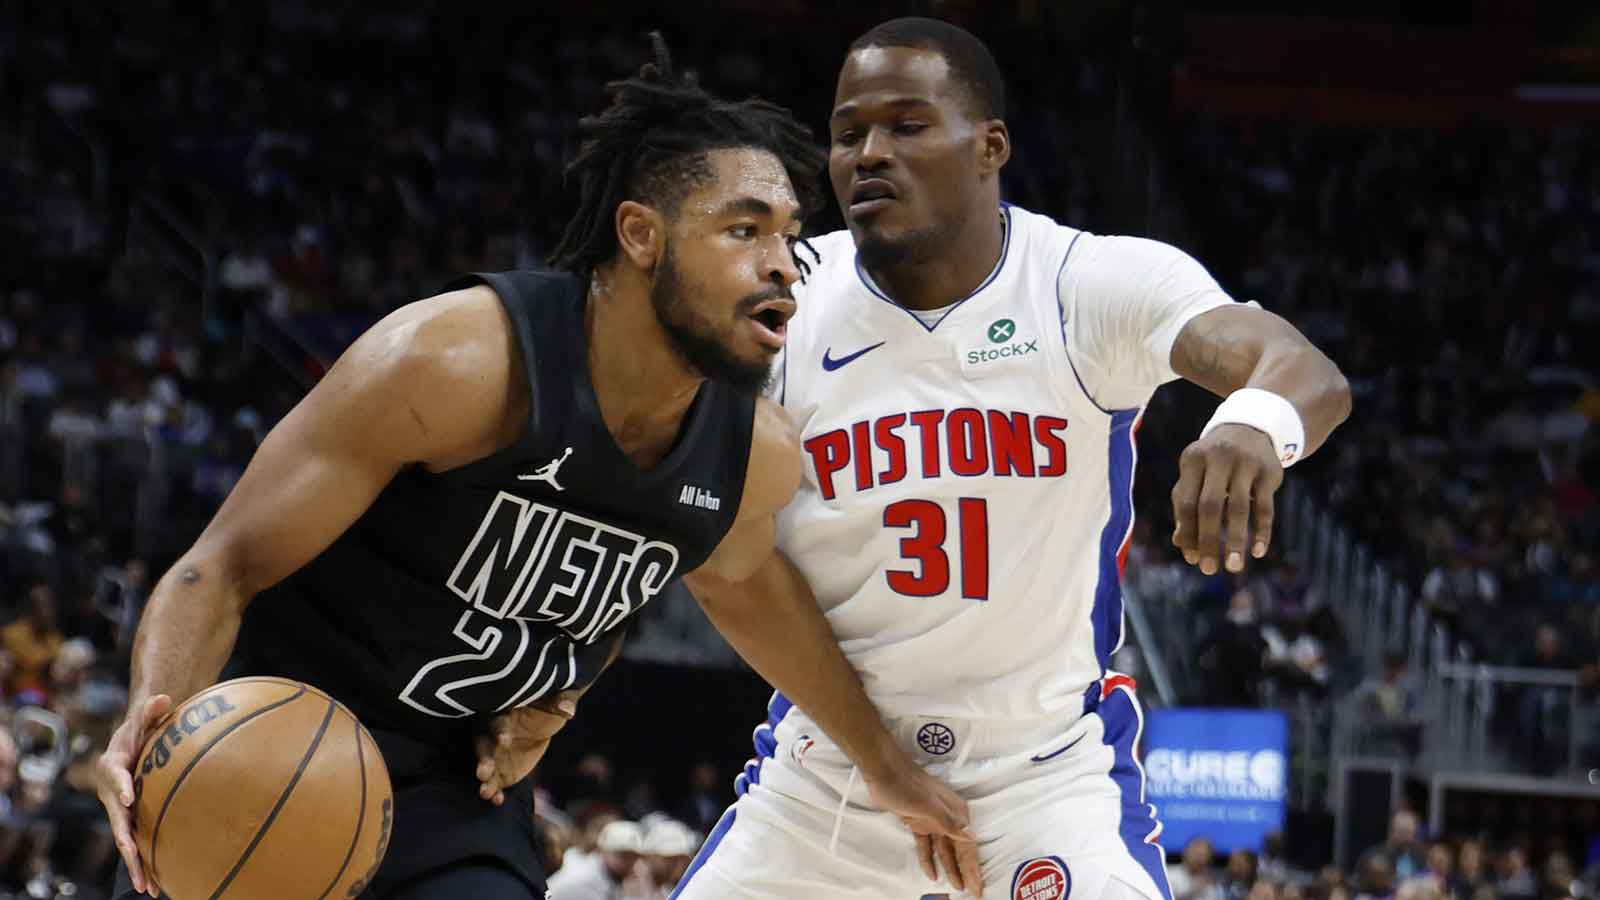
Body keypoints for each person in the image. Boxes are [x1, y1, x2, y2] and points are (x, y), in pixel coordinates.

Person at [95, 38, 970, 900]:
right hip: (272, 745)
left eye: (791, 236)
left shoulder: (753, 456)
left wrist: (884, 768)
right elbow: (224, 564)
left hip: (454, 790)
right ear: (640, 236)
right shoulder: (452, 364)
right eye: (744, 230)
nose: (783, 263)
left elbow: (733, 584)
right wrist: (154, 722)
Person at [672, 16, 1350, 900]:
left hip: (1042, 782)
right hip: (830, 777)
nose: (869, 152)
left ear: (990, 145)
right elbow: (718, 558)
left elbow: (1303, 369)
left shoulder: (1085, 284)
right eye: (848, 134)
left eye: (906, 125)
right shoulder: (780, 304)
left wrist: (1252, 423)